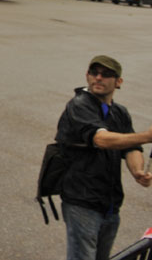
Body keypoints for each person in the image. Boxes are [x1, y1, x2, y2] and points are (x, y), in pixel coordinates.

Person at [55, 55, 152, 260]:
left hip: (110, 204)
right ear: (87, 76)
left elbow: (131, 147)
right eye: (94, 73)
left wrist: (138, 172)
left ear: (118, 82)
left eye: (106, 74)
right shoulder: (79, 105)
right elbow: (101, 139)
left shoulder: (119, 112)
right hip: (81, 202)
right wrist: (147, 136)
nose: (98, 78)